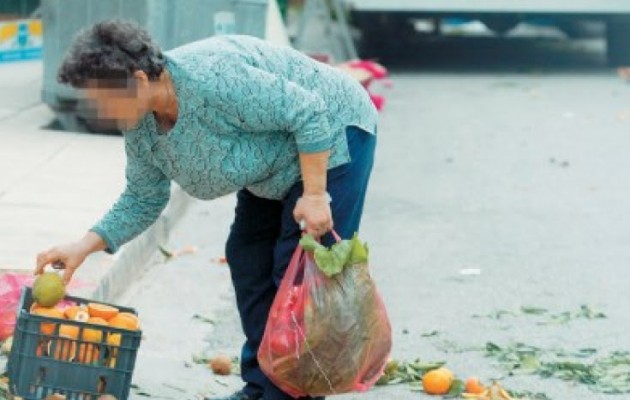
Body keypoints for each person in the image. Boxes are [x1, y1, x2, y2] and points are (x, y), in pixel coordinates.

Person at [34, 20, 377, 400]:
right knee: (247, 256)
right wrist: (84, 245)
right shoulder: (141, 126)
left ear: (140, 80)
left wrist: (315, 195)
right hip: (270, 160)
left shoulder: (213, 78)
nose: (100, 111)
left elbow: (310, 113)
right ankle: (262, 385)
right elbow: (143, 197)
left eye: (104, 99)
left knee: (294, 276)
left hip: (332, 136)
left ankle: (291, 393)